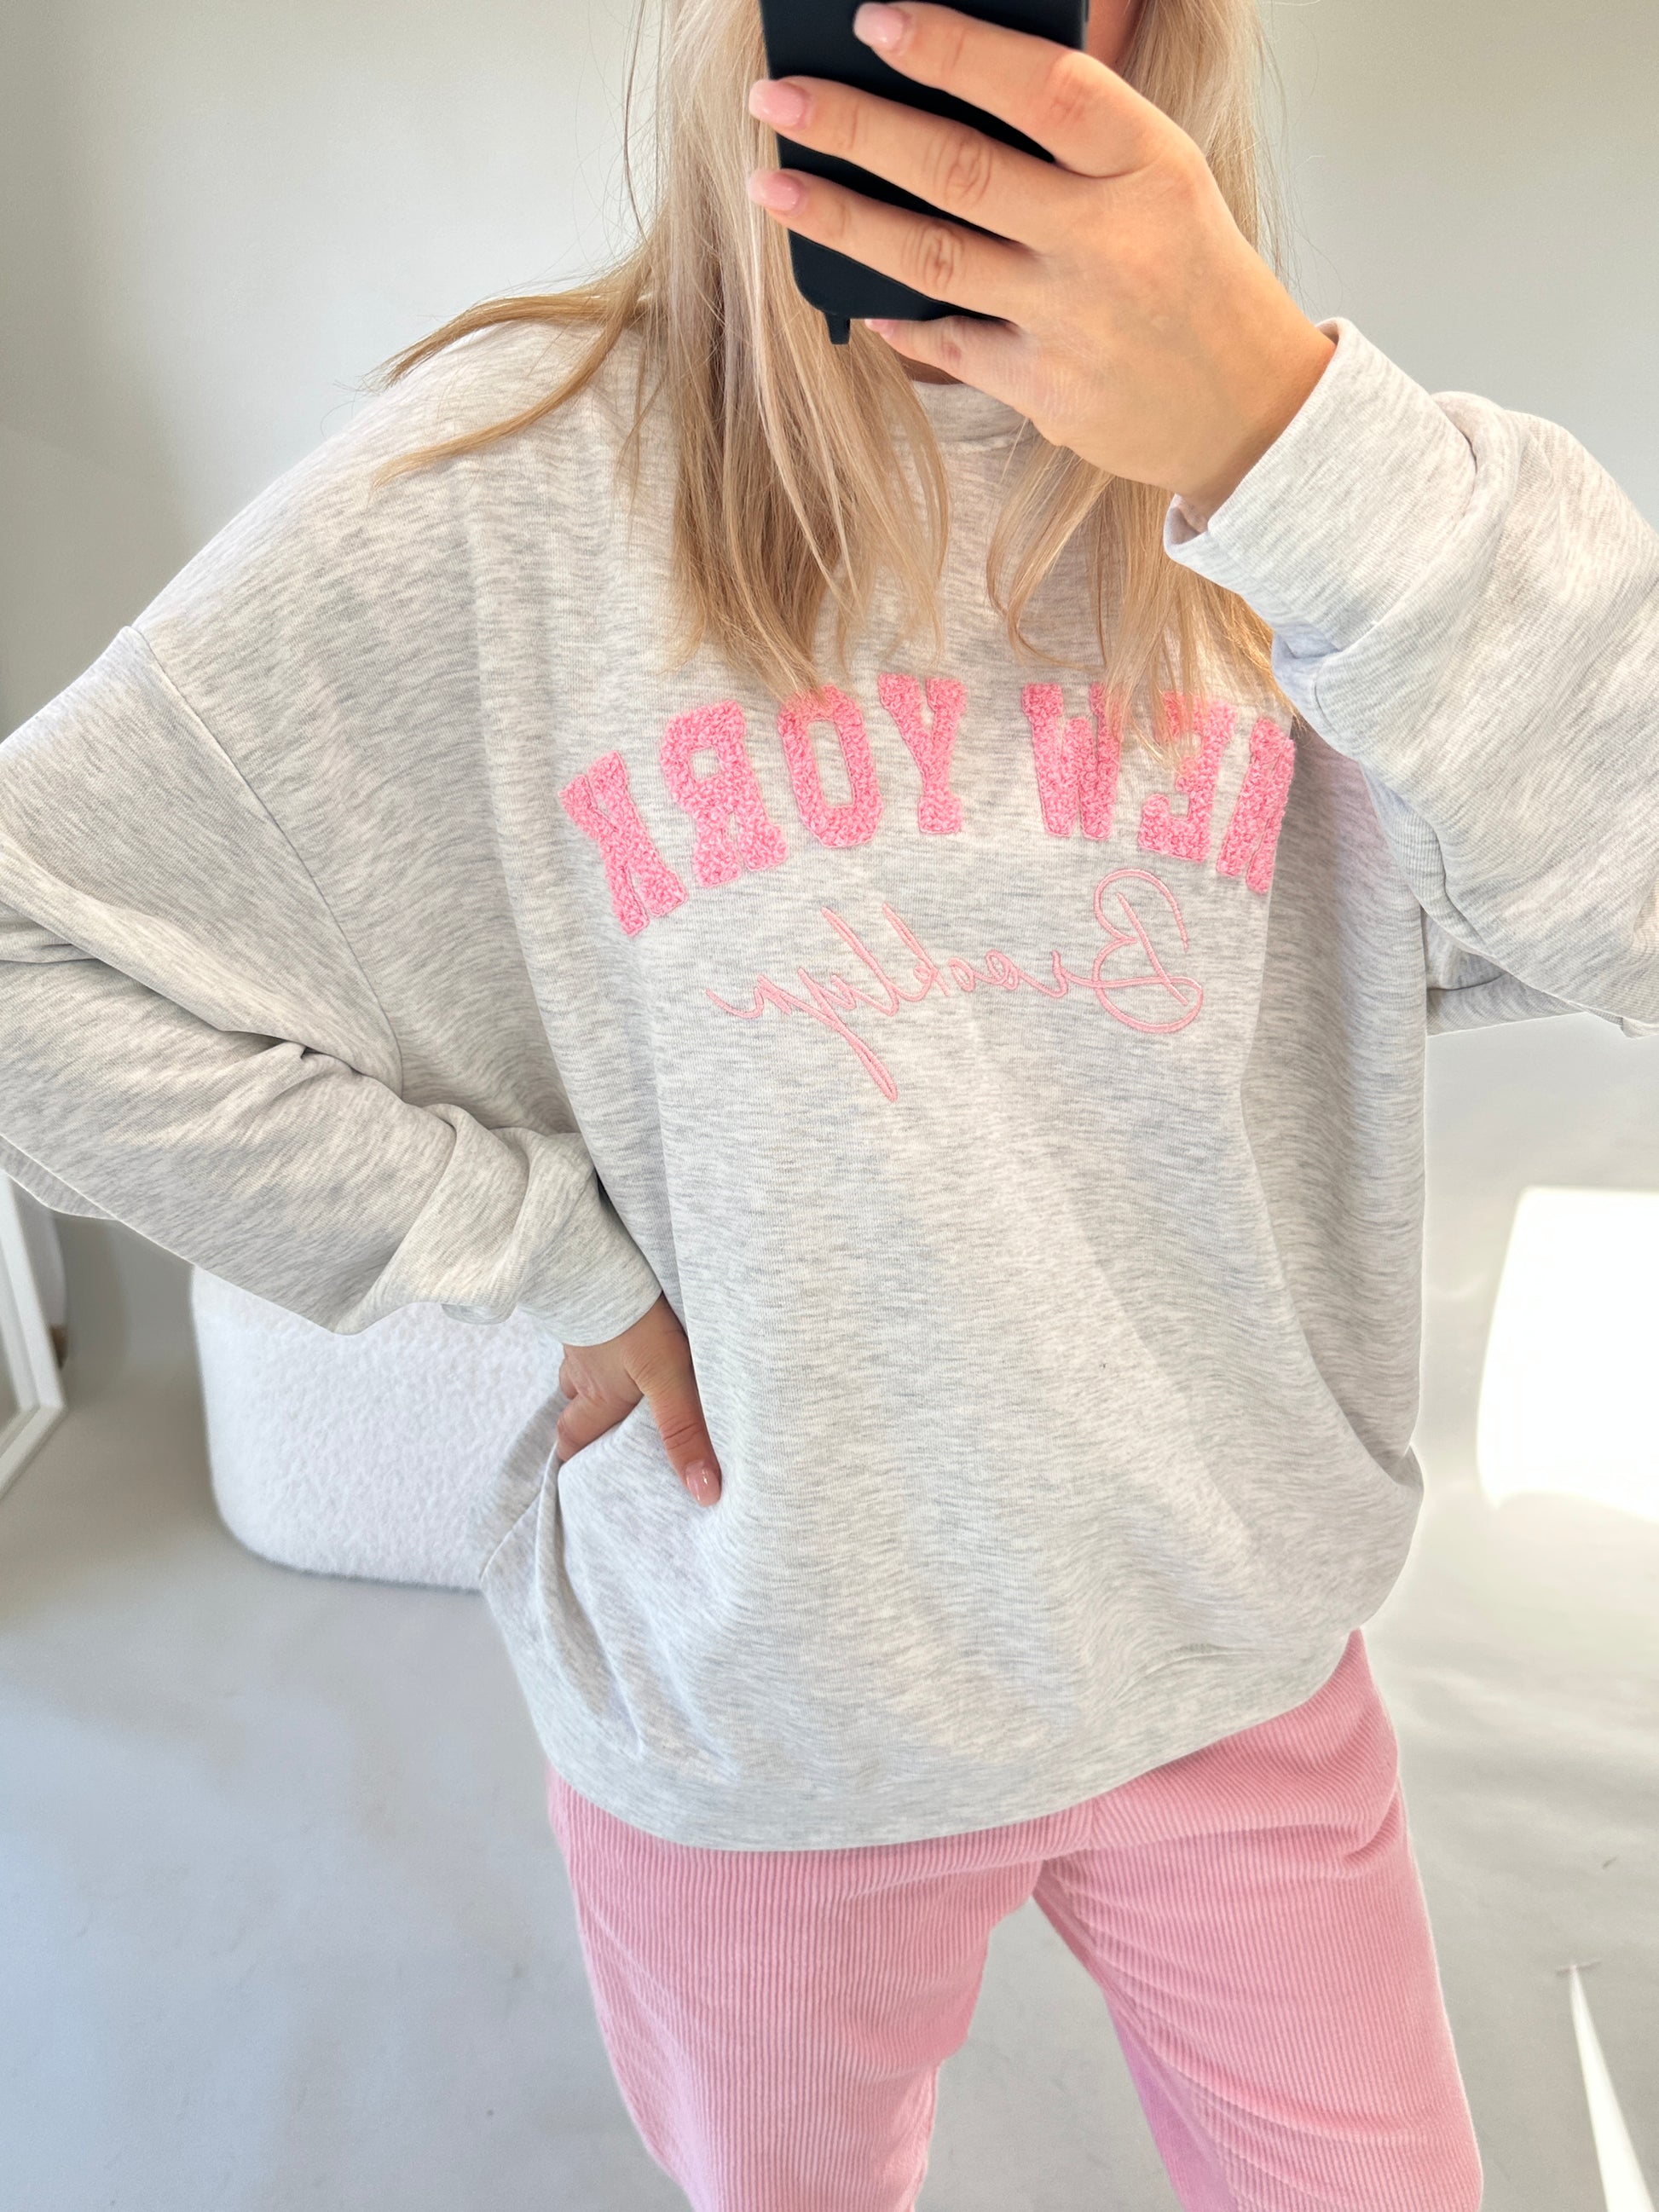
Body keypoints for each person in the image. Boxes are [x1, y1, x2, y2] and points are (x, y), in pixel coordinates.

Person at [2, 0, 1654, 2203]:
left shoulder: (1337, 519)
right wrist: (530, 1246)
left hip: (1231, 1663)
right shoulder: (504, 502)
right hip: (768, 1720)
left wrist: (1284, 440)